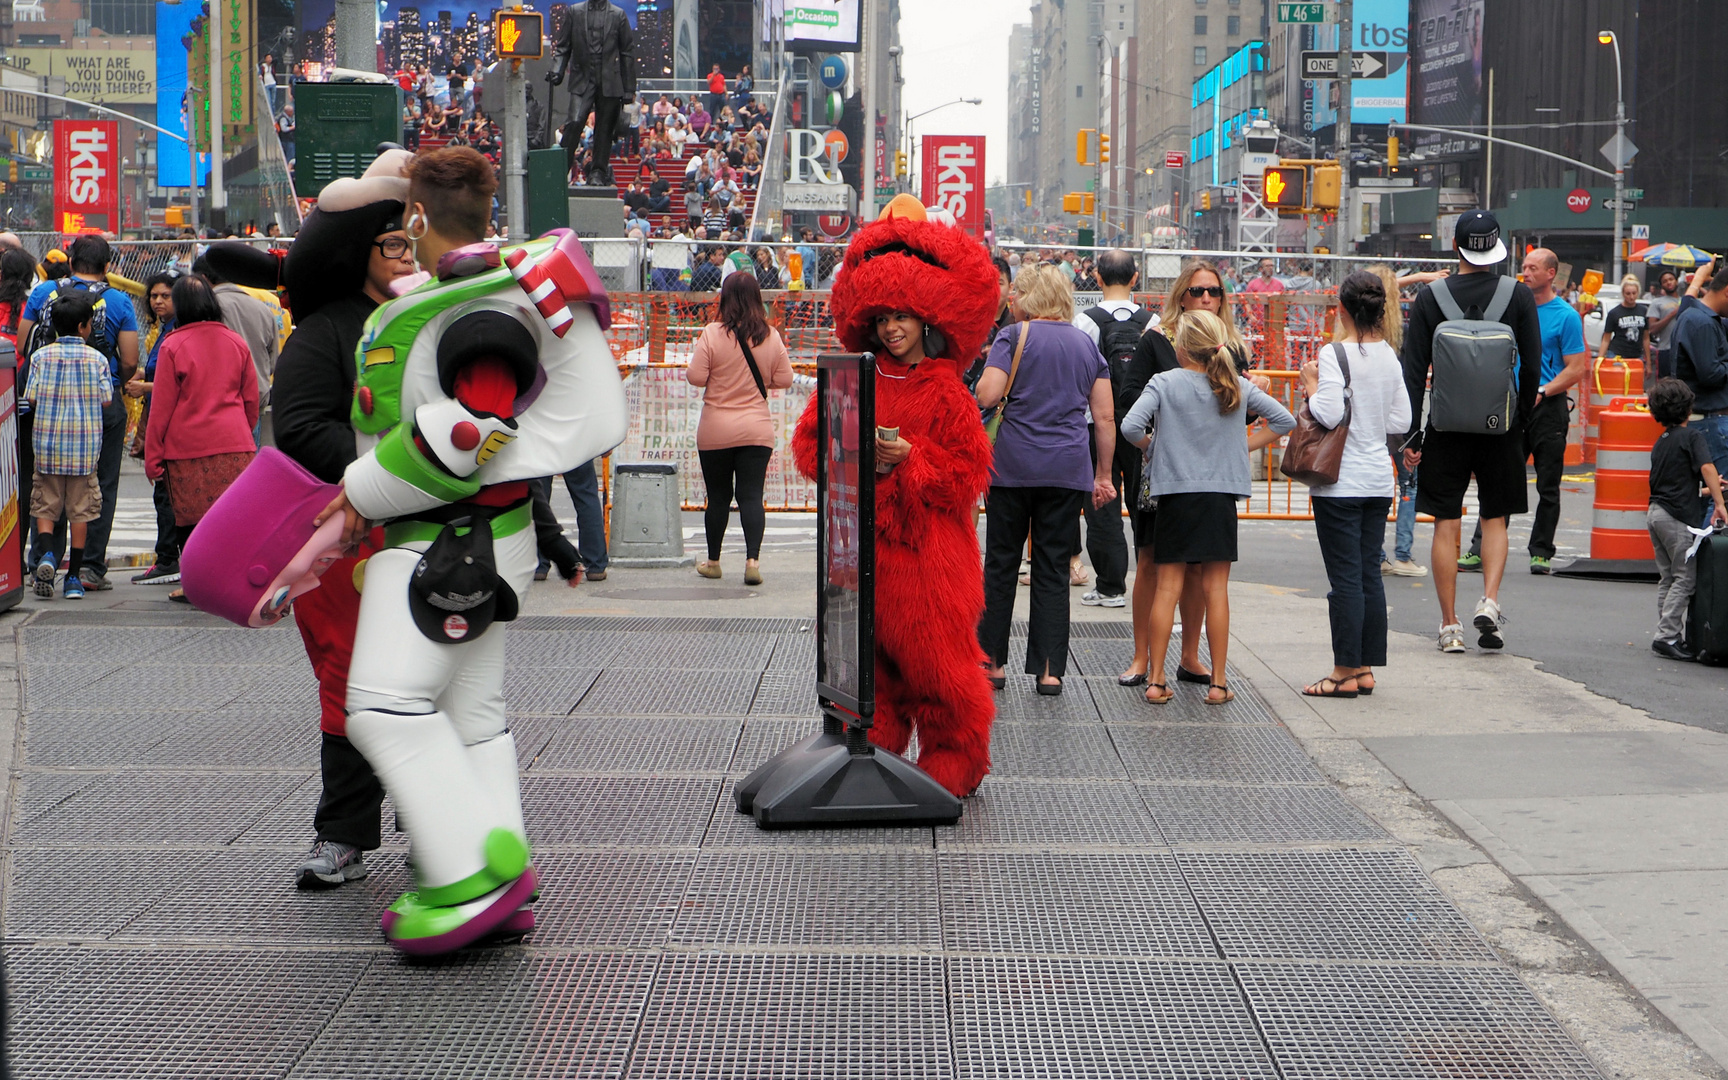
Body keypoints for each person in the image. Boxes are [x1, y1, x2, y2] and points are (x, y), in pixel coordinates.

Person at [249, 150, 418, 890]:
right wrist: (385, 467)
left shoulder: (422, 318)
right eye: (393, 244)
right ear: (358, 252)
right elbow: (299, 427)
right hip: (345, 539)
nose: (407, 255)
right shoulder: (324, 331)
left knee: (433, 683)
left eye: (411, 242)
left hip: (424, 536)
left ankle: (433, 818)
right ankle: (343, 834)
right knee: (349, 683)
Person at [791, 193, 998, 797]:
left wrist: (914, 459)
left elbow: (968, 474)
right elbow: (808, 448)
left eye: (902, 316)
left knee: (940, 671)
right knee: (870, 674)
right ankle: (870, 758)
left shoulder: (944, 389)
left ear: (928, 318)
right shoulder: (850, 376)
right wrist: (848, 452)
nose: (891, 328)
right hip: (862, 559)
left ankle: (958, 757)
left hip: (931, 560)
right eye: (882, 317)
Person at [1121, 310, 1294, 705]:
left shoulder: (1163, 382)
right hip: (1219, 498)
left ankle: (1157, 678)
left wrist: (1154, 448)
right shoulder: (1233, 383)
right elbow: (1284, 420)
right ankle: (1217, 683)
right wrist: (1242, 446)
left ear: (1181, 348)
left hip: (1175, 496)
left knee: (1168, 588)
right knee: (1216, 589)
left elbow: (1131, 427)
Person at [1401, 210, 1543, 654]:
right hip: (1499, 425)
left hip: (1444, 425)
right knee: (1494, 517)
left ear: (1457, 247)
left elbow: (1412, 370)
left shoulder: (1431, 297)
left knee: (1447, 522)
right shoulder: (1517, 296)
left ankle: (1449, 625)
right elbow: (1533, 369)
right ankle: (1490, 599)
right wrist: (1519, 422)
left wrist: (1411, 436)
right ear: (1497, 247)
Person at [977, 263, 1117, 696]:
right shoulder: (1085, 345)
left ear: (1030, 297)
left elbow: (987, 395)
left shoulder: (1012, 338)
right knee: (1054, 569)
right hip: (1066, 470)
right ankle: (1050, 670)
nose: (1012, 298)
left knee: (1001, 563)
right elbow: (1105, 416)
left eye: (1017, 292)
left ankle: (992, 663)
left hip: (1012, 469)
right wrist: (1104, 474)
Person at [1118, 259, 1252, 687]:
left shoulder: (1230, 345)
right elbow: (1129, 401)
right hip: (1162, 471)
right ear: (1181, 296)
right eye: (1197, 291)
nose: (1207, 298)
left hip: (1206, 474)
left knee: (1197, 569)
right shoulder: (1157, 340)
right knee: (1151, 563)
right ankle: (1143, 658)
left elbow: (1235, 411)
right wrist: (1160, 439)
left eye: (1214, 291)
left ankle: (1190, 656)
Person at [1298, 272, 1411, 698]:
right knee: (1368, 574)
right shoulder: (1390, 356)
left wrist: (1311, 384)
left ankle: (1343, 671)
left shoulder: (1334, 354)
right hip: (1379, 480)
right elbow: (1401, 421)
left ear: (1341, 309)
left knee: (1344, 578)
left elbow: (1326, 413)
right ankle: (1363, 666)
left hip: (1340, 482)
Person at [16, 233, 138, 594]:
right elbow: (130, 359)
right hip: (100, 404)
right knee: (99, 484)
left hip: (48, 404)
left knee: (48, 480)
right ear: (108, 266)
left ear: (70, 262)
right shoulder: (119, 301)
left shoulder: (43, 294)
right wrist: (116, 381)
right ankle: (88, 568)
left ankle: (46, 558)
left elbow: (24, 342)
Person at [1459, 247, 1585, 577]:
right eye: (1523, 267)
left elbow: (1576, 368)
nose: (1525, 273)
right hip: (1510, 405)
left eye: (1532, 268)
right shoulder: (1513, 309)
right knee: (1498, 478)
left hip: (1548, 408)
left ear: (1551, 274)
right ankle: (1478, 548)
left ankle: (1541, 552)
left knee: (1548, 484)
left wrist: (1544, 390)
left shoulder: (1566, 316)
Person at [144, 275, 260, 603]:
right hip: (235, 446)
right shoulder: (235, 341)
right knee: (232, 519)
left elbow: (161, 408)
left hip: (186, 450)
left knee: (190, 522)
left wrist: (153, 456)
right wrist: (239, 430)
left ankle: (197, 584)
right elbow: (251, 398)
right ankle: (235, 580)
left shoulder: (173, 345)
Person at [689, 272, 793, 584]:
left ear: (725, 298)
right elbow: (785, 379)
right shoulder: (770, 336)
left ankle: (713, 561)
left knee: (718, 498)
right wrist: (761, 380)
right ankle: (752, 563)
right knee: (751, 496)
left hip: (716, 429)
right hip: (756, 429)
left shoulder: (711, 334)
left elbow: (695, 376)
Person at [1071, 248, 1151, 609]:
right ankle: (1152, 583)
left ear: (1097, 278)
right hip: (1142, 429)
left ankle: (1109, 586)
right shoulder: (1154, 322)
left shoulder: (1085, 322)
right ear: (1135, 278)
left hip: (1094, 427)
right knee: (1143, 506)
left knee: (1102, 502)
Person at [22, 290, 110, 600]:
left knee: (45, 504)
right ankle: (73, 577)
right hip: (84, 450)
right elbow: (106, 398)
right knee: (80, 512)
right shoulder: (97, 359)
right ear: (85, 326)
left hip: (47, 447)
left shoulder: (40, 357)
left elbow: (30, 396)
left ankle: (47, 555)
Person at [1644, 378, 1728, 661]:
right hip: (1677, 518)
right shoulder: (1693, 437)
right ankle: (1666, 636)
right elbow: (1706, 466)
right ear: (1689, 407)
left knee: (1668, 577)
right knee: (1685, 578)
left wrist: (1710, 488)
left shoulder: (1662, 443)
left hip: (1656, 514)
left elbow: (1679, 484)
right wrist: (1719, 502)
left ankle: (1667, 632)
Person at [128, 273, 182, 585]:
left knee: (166, 490)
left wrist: (143, 387)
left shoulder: (178, 332)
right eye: (154, 296)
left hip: (170, 422)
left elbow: (173, 383)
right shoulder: (162, 330)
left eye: (166, 296)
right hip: (159, 417)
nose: (158, 301)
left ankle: (168, 558)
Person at [547, 0, 636, 185]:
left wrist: (629, 88)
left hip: (609, 81)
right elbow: (563, 46)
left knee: (604, 130)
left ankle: (597, 172)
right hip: (582, 79)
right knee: (574, 122)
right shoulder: (575, 12)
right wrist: (558, 70)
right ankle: (559, 170)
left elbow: (627, 52)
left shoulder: (618, 15)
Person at [1673, 258, 1728, 502]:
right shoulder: (1703, 323)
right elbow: (1710, 374)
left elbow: (1686, 301)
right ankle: (1708, 541)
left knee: (1704, 496)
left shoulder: (1691, 314)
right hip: (1710, 422)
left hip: (1699, 420)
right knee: (1717, 497)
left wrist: (1699, 277)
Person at [1599, 274, 1651, 370]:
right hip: (1617, 355)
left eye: (1634, 293)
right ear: (1623, 293)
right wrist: (1600, 360)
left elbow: (1646, 338)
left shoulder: (1643, 311)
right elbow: (1606, 338)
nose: (1631, 297)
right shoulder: (1614, 313)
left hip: (1636, 356)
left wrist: (1648, 362)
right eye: (1628, 293)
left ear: (1638, 292)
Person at [1647, 270, 1682, 380]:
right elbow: (1652, 329)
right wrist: (1672, 314)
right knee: (1664, 384)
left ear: (1676, 281)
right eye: (1665, 281)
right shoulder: (1657, 303)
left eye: (1671, 279)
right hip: (1665, 350)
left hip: (1684, 350)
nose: (1669, 282)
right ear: (1662, 285)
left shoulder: (1685, 300)